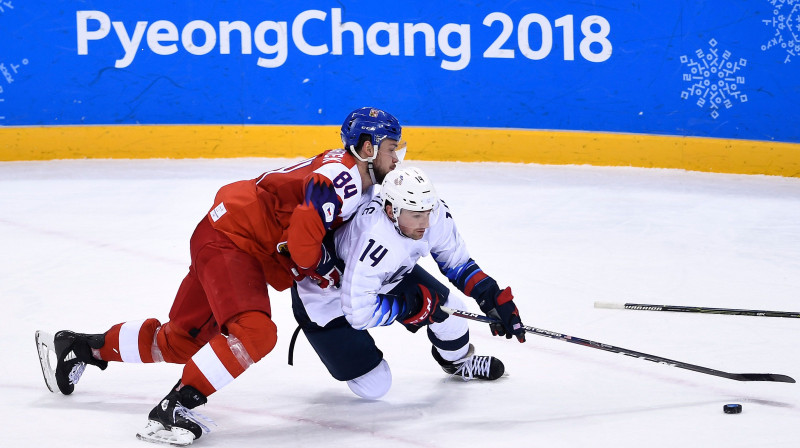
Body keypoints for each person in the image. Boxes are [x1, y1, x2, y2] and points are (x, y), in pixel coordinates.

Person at [34, 107, 402, 446]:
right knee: (255, 332)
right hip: (233, 240)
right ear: (367, 148)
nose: (396, 158)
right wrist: (327, 270)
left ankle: (78, 347)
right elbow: (304, 245)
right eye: (390, 148)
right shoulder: (344, 179)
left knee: (182, 342)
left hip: (228, 234)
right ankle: (174, 409)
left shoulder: (352, 174)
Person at [291, 166, 526, 400]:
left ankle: (457, 362)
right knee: (375, 386)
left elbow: (458, 263)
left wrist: (489, 296)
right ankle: (320, 332)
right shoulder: (373, 238)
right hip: (326, 295)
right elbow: (358, 313)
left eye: (427, 212)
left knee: (453, 311)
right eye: (416, 215)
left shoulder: (433, 215)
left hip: (383, 275)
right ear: (391, 210)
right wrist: (410, 307)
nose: (426, 223)